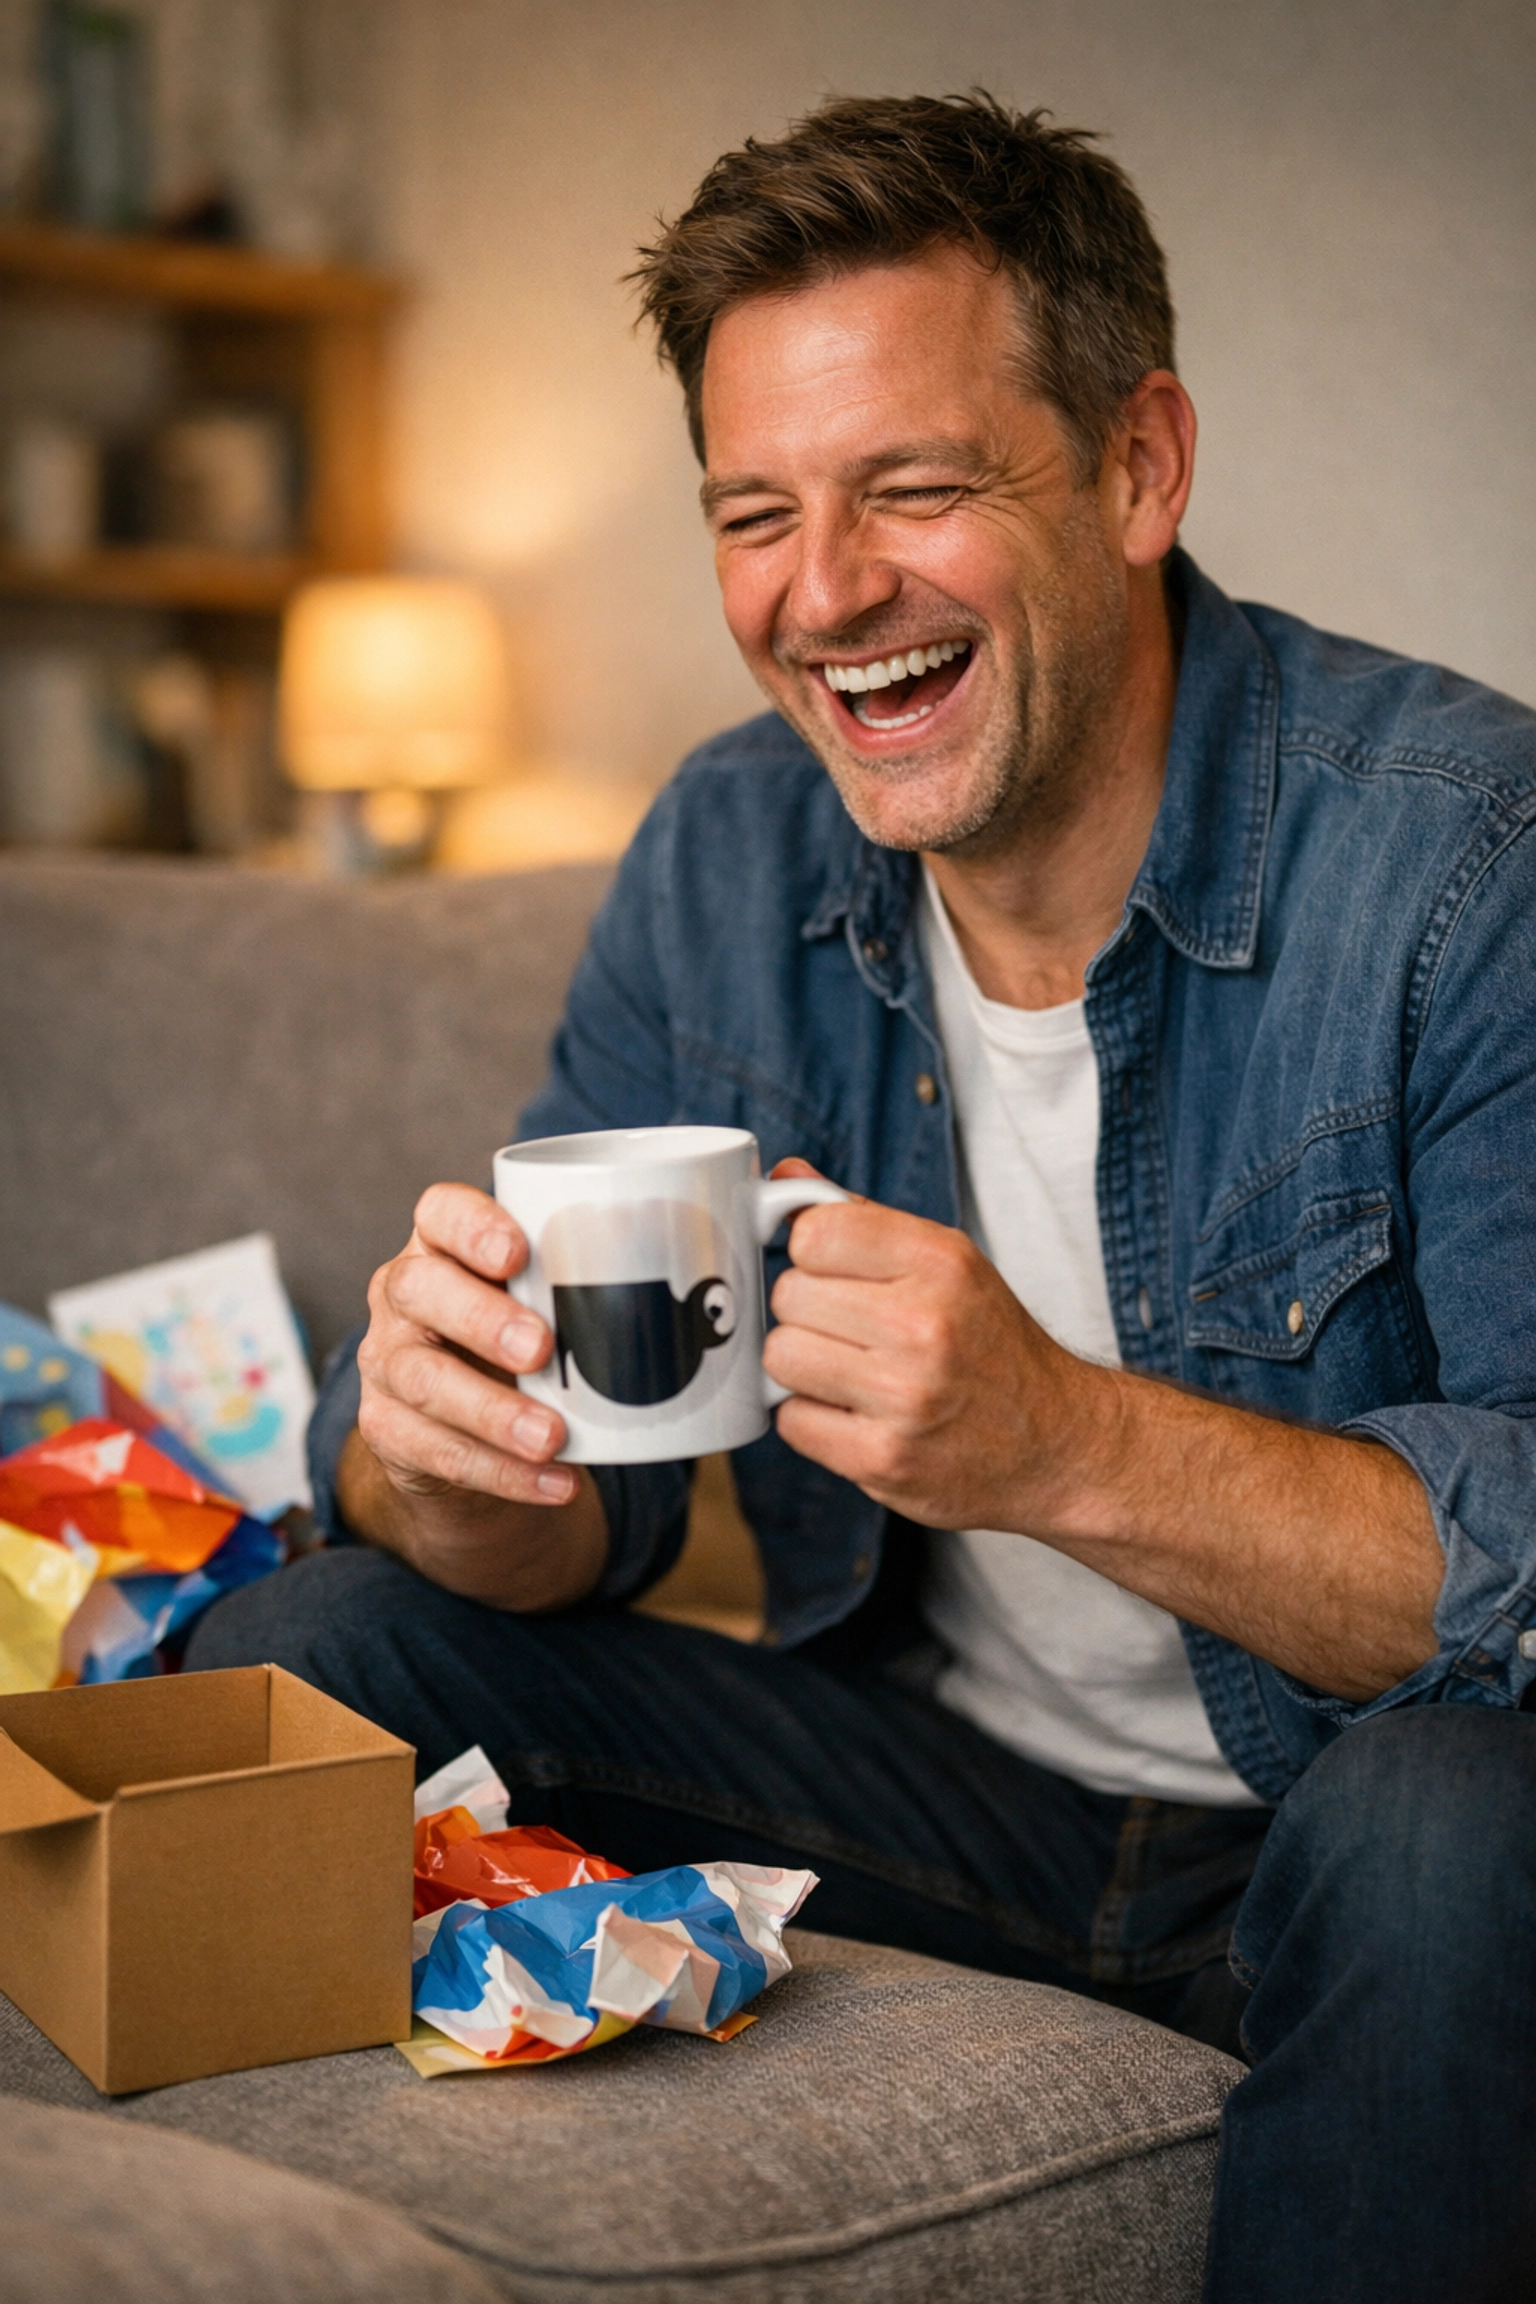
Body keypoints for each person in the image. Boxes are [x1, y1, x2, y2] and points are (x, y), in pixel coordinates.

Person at [188, 93, 1536, 2300]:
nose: (826, 597)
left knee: (1466, 1813)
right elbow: (584, 1524)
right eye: (756, 515)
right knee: (317, 1646)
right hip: (946, 1803)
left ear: (1136, 466)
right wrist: (444, 1459)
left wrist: (1067, 1444)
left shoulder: (1470, 866)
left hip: (1352, 1826)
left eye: (915, 487)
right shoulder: (727, 855)